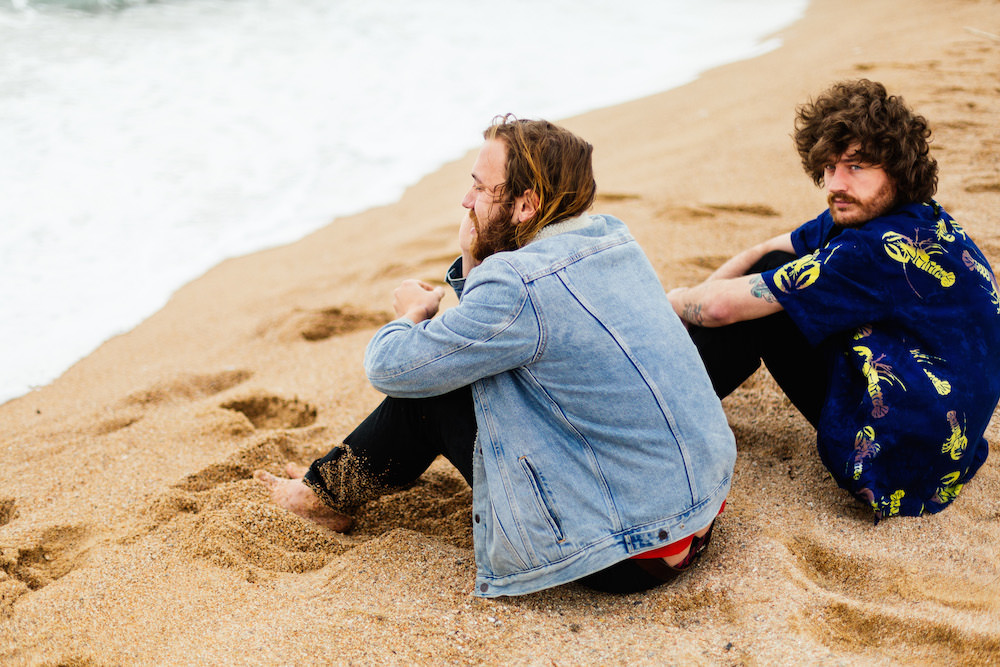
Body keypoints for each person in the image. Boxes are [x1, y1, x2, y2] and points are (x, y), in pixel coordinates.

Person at [255, 116, 736, 597]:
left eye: (481, 189)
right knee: (469, 369)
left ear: (527, 205)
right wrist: (473, 257)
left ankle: (322, 498)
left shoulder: (517, 284)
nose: (466, 201)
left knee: (431, 396)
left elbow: (391, 367)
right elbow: (493, 334)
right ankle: (342, 476)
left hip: (624, 553)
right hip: (693, 516)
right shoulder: (612, 239)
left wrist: (412, 315)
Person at [667, 79, 1000, 521]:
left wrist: (677, 301)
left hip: (897, 464)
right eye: (828, 168)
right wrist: (688, 318)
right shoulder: (923, 221)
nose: (836, 184)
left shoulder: (871, 250)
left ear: (898, 170)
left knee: (765, 313)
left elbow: (720, 309)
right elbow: (771, 248)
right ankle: (672, 380)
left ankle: (657, 413)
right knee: (773, 270)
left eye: (857, 166)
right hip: (950, 442)